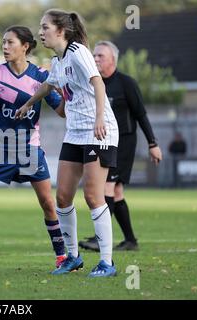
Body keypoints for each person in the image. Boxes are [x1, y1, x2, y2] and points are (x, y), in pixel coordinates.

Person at [16, 9, 119, 277]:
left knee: (93, 196)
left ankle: (107, 262)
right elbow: (48, 86)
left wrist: (99, 118)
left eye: (45, 27)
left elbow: (98, 83)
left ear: (61, 30)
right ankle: (72, 257)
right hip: (74, 133)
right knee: (62, 197)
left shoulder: (78, 52)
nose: (40, 32)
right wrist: (28, 103)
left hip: (99, 131)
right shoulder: (58, 61)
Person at [0, 25, 66, 273]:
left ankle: (61, 257)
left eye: (10, 43)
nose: (5, 47)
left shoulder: (41, 76)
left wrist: (69, 94)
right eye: (3, 42)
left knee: (48, 203)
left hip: (29, 148)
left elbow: (60, 111)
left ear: (25, 46)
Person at [78, 41, 163, 252]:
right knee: (116, 193)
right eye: (94, 55)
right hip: (101, 142)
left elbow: (141, 115)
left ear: (113, 60)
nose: (96, 59)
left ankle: (100, 238)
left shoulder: (126, 83)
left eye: (101, 56)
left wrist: (153, 143)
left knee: (107, 187)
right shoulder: (92, 83)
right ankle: (130, 240)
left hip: (123, 143)